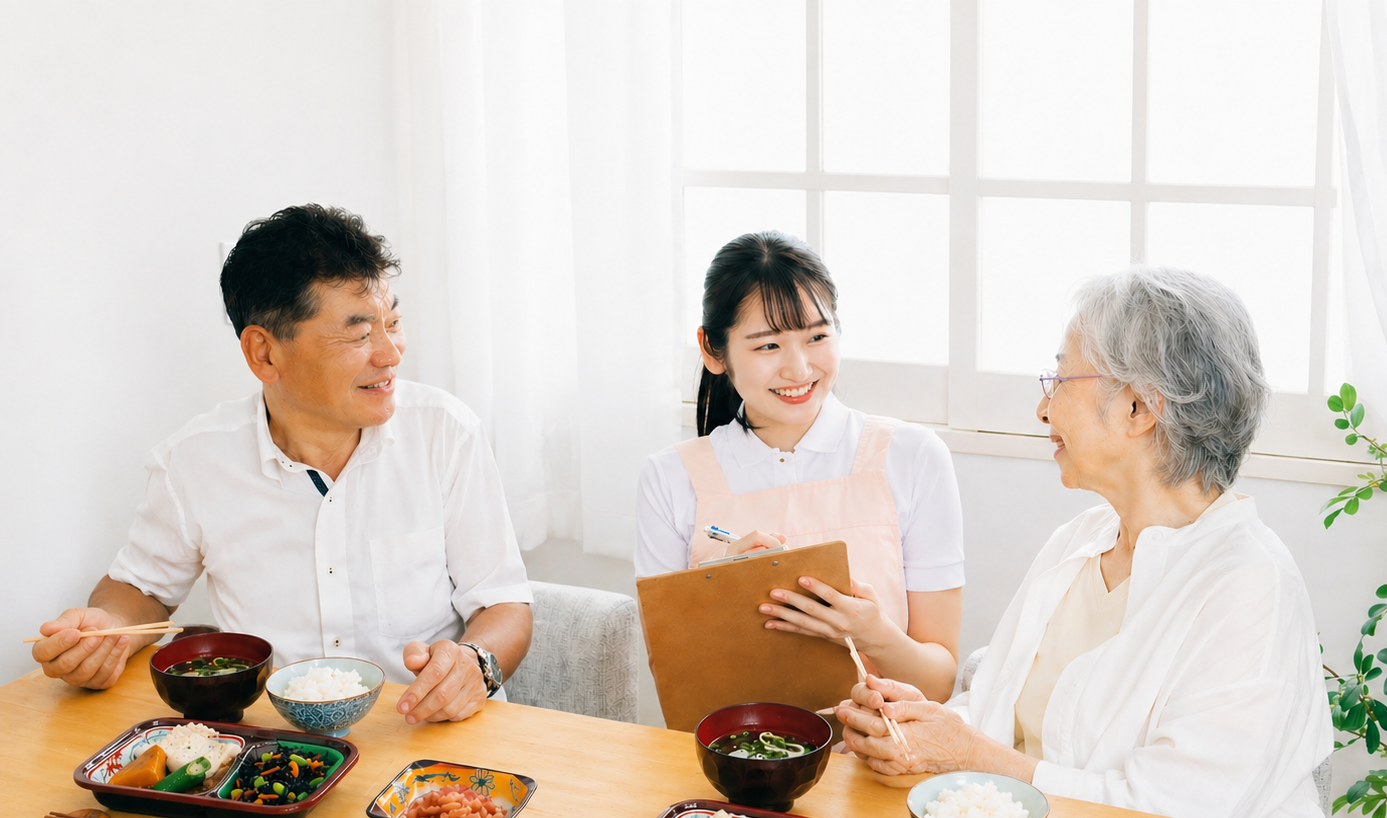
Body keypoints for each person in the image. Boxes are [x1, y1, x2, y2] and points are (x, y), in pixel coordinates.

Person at [839, 266, 1332, 818]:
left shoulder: (1250, 584)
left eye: (1060, 379)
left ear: (1138, 408)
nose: (1042, 409)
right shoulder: (1080, 539)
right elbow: (1000, 707)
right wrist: (921, 726)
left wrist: (964, 753)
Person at [32, 205, 532, 724]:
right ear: (264, 354)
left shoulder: (445, 432)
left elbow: (504, 604)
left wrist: (475, 663)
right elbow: (140, 590)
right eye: (360, 334)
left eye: (394, 323)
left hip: (420, 731)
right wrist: (106, 629)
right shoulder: (193, 462)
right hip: (275, 745)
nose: (390, 354)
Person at [635, 232, 964, 702]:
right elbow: (678, 687)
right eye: (768, 346)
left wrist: (874, 635)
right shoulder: (669, 478)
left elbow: (939, 684)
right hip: (738, 744)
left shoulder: (914, 457)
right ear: (712, 350)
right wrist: (718, 594)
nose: (799, 369)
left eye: (817, 337)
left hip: (880, 739)